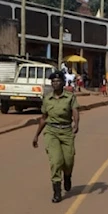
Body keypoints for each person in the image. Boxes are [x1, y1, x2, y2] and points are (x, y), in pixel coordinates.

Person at [32, 71, 80, 203]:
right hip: (51, 131)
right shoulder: (47, 99)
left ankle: (68, 175)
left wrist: (76, 124)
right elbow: (43, 118)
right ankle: (57, 191)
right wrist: (36, 135)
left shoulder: (70, 97)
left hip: (66, 131)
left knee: (68, 160)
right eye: (53, 81)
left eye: (58, 81)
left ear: (63, 83)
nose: (55, 83)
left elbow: (75, 111)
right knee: (56, 161)